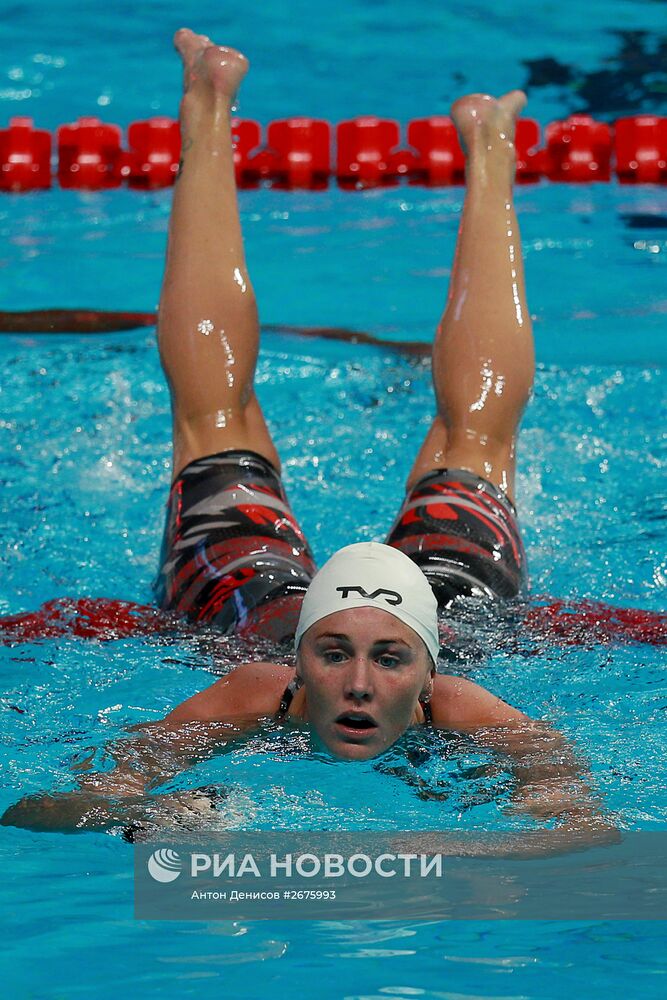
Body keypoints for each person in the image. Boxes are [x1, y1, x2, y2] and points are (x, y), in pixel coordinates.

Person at [0, 29, 614, 838]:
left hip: (263, 594)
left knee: (220, 425)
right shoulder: (256, 689)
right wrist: (148, 816)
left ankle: (491, 146)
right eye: (333, 655)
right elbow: (47, 807)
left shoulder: (462, 706)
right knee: (471, 443)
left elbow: (584, 823)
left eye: (388, 658)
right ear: (299, 663)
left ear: (425, 673)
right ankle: (207, 103)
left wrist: (546, 820)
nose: (357, 686)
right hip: (281, 608)